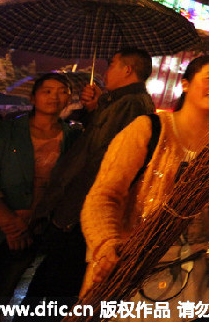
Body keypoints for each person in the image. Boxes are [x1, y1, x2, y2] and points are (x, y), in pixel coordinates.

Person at [79, 55, 209, 314]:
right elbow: (103, 196)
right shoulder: (149, 128)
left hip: (195, 282)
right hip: (134, 277)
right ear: (186, 84)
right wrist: (107, 245)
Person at [24, 48, 154, 313]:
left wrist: (66, 217)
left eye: (113, 64)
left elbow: (99, 162)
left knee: (49, 295)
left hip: (78, 218)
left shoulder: (131, 104)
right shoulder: (121, 103)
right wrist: (96, 108)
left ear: (127, 69)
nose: (107, 70)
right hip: (75, 215)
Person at [0, 73, 76, 306]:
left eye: (62, 91)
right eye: (47, 91)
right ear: (33, 98)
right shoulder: (5, 131)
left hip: (32, 231)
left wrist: (31, 221)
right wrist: (10, 224)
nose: (54, 96)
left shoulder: (74, 138)